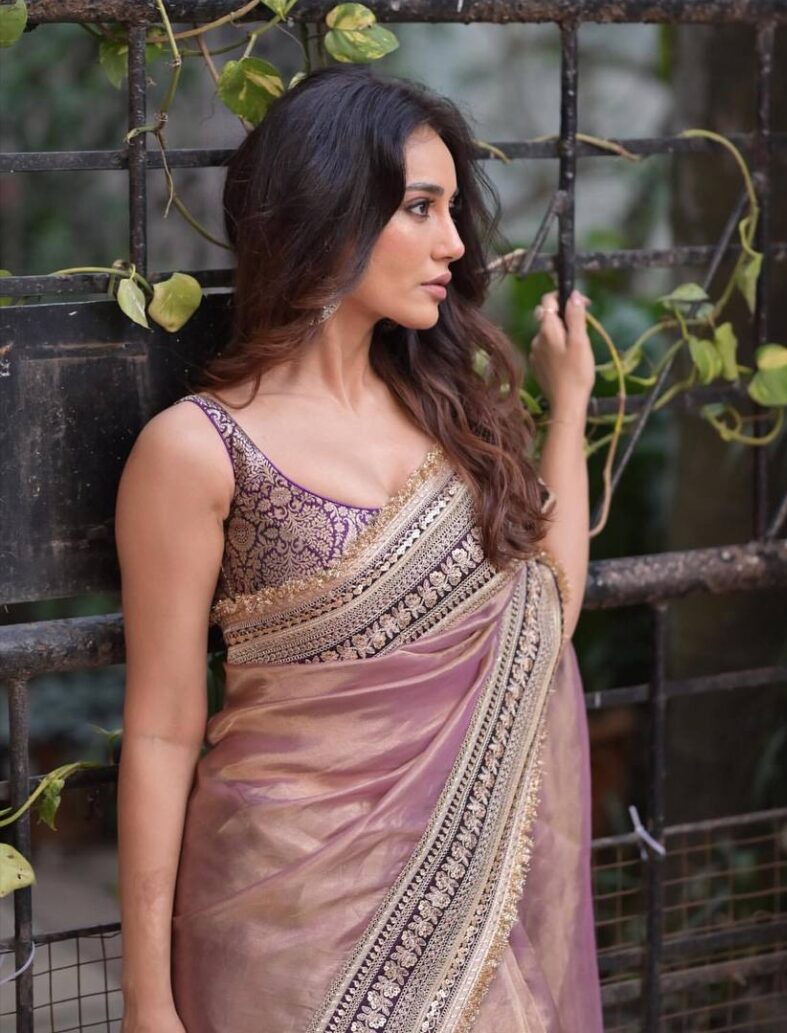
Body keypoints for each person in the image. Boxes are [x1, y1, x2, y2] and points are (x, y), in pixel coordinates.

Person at [115, 65, 603, 1033]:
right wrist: (147, 999)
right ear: (328, 212)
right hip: (284, 924)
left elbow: (541, 616)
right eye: (420, 208)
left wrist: (570, 412)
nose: (453, 242)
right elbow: (162, 730)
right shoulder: (200, 448)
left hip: (473, 916)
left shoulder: (453, 420)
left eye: (451, 209)